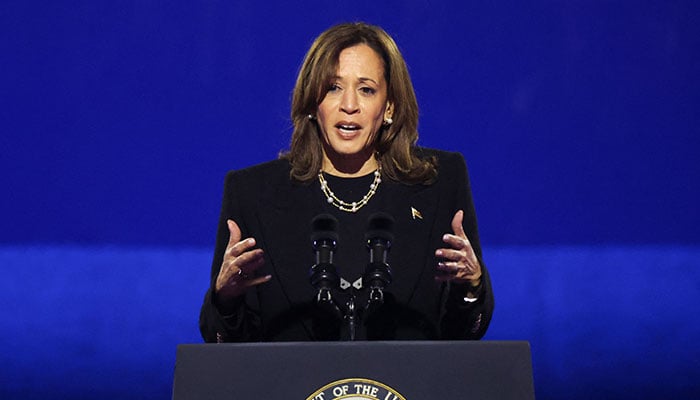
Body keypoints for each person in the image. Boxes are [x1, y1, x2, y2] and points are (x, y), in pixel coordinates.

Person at [199, 22, 494, 342]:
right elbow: (223, 345)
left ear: (390, 106)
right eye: (332, 88)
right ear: (313, 103)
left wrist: (471, 286)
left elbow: (465, 338)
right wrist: (226, 299)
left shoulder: (438, 183)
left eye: (366, 89)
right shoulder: (253, 193)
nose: (349, 105)